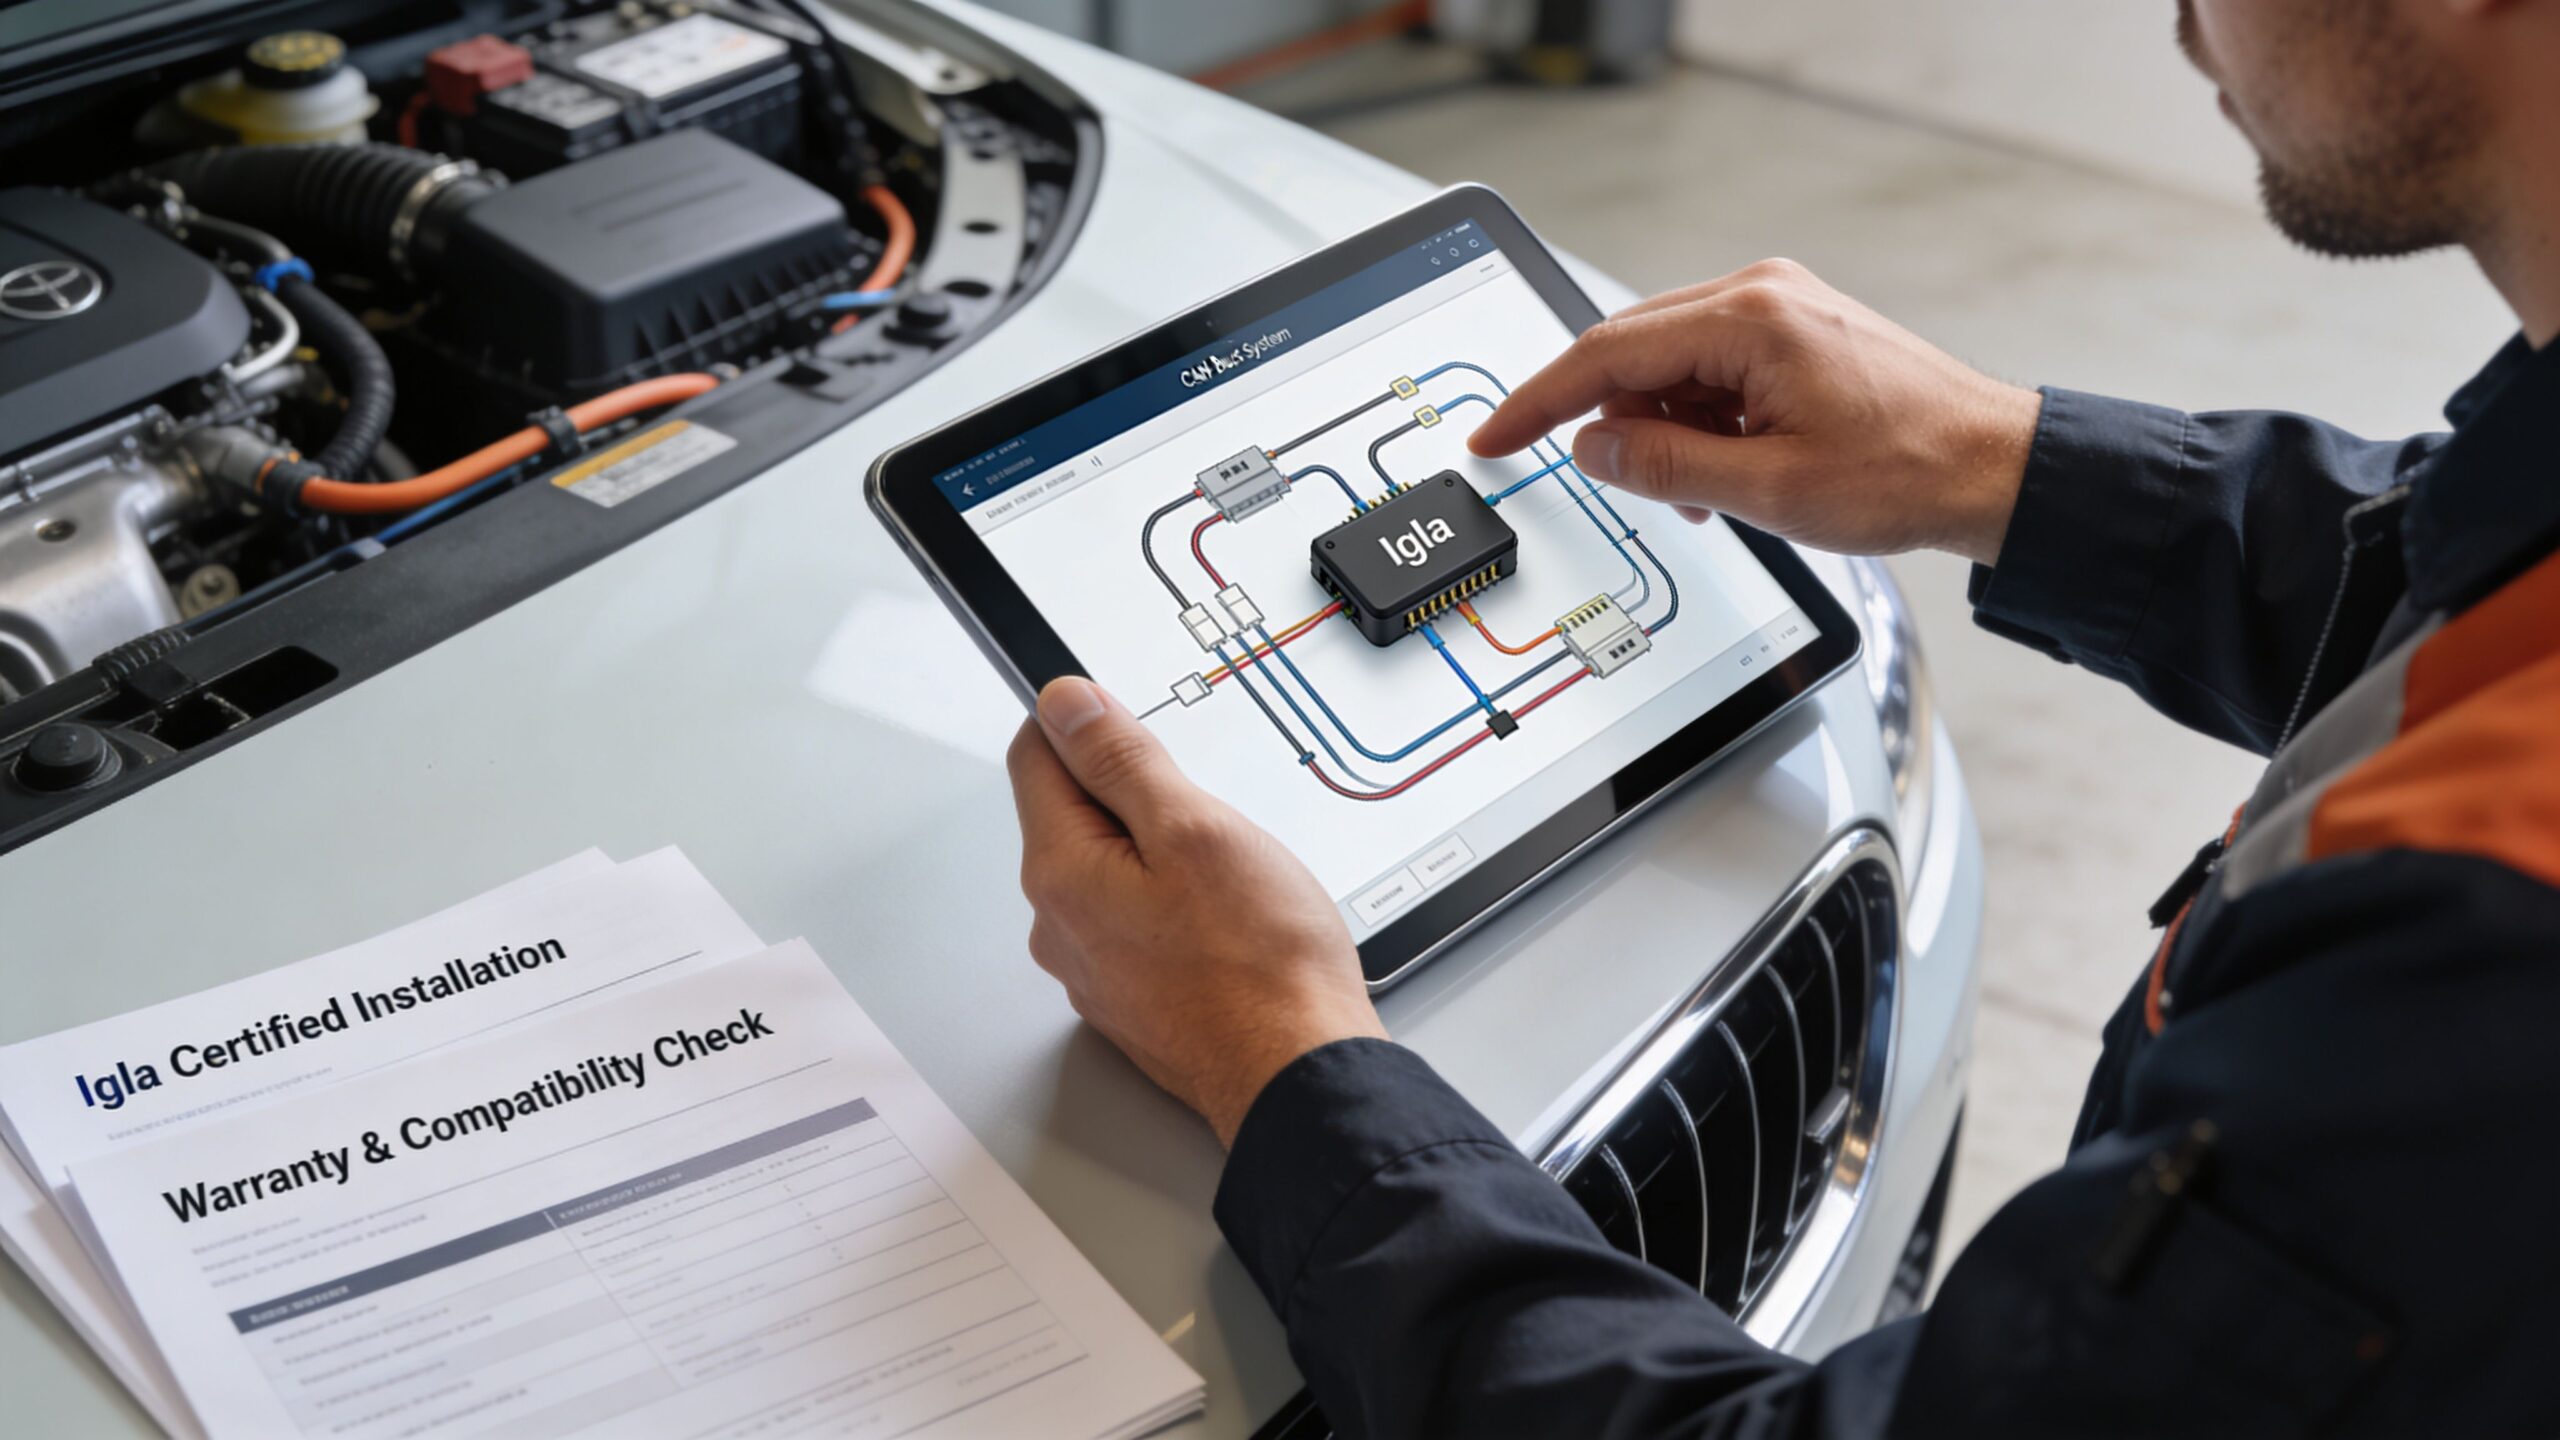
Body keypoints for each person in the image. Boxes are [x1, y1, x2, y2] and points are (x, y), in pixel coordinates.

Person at [1004, 0, 2560, 1432]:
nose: (2180, 24)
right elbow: (2470, 579)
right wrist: (2005, 462)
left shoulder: (2481, 976)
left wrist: (1278, 1056)